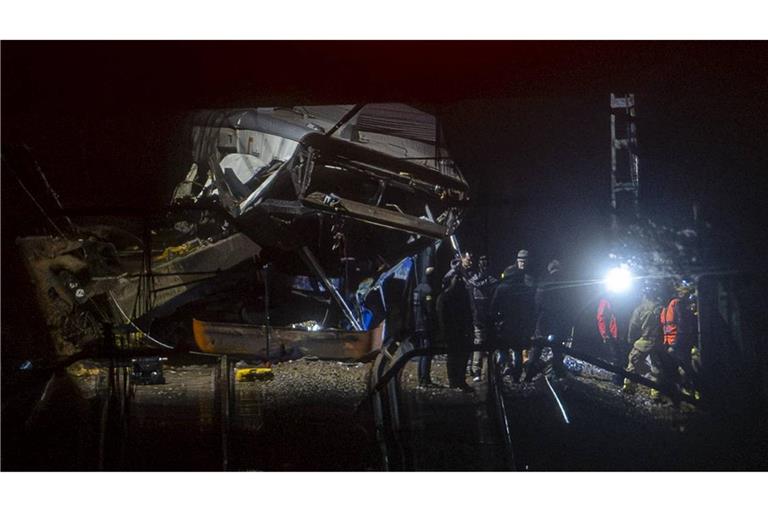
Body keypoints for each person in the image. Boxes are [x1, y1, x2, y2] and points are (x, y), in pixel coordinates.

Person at [490, 249, 536, 382]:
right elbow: (529, 306)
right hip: (518, 322)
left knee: (504, 348)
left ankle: (503, 370)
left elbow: (494, 305)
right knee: (517, 350)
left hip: (505, 322)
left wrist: (494, 318)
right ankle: (515, 375)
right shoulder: (524, 287)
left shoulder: (502, 288)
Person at [526, 259, 571, 381]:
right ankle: (560, 375)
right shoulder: (566, 283)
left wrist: (536, 319)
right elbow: (569, 305)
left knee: (537, 349)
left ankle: (528, 376)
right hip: (558, 322)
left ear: (549, 269)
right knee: (557, 350)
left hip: (543, 321)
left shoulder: (543, 282)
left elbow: (537, 303)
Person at [621, 283, 668, 400]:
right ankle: (656, 393)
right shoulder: (662, 307)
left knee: (633, 361)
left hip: (645, 340)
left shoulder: (640, 308)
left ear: (645, 295)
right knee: (657, 367)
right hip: (659, 342)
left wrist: (631, 339)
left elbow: (633, 325)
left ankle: (629, 387)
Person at [436, 254, 475, 392]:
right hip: (453, 331)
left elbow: (468, 312)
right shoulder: (444, 297)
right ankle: (454, 380)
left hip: (462, 330)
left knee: (462, 356)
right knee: (453, 356)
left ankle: (460, 380)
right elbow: (442, 317)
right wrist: (445, 332)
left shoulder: (461, 296)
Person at [660, 279, 700, 395]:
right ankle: (682, 397)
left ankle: (694, 395)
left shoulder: (676, 304)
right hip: (670, 343)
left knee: (685, 369)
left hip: (678, 344)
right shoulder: (665, 307)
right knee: (676, 371)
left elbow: (682, 326)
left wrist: (676, 344)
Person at [412, 244, 439, 388]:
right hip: (426, 325)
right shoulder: (428, 290)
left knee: (422, 350)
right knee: (427, 351)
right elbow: (429, 310)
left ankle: (421, 377)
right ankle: (425, 378)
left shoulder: (417, 289)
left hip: (418, 324)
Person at [468, 255, 497, 382]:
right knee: (488, 345)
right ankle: (489, 371)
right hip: (489, 317)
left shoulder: (471, 283)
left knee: (478, 343)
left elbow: (470, 302)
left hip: (477, 317)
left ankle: (476, 370)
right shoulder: (494, 282)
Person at [597, 295, 624, 386]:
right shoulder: (605, 301)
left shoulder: (621, 299)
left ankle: (621, 376)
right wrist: (605, 334)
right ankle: (618, 378)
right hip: (613, 333)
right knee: (616, 356)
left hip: (620, 333)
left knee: (621, 356)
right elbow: (601, 317)